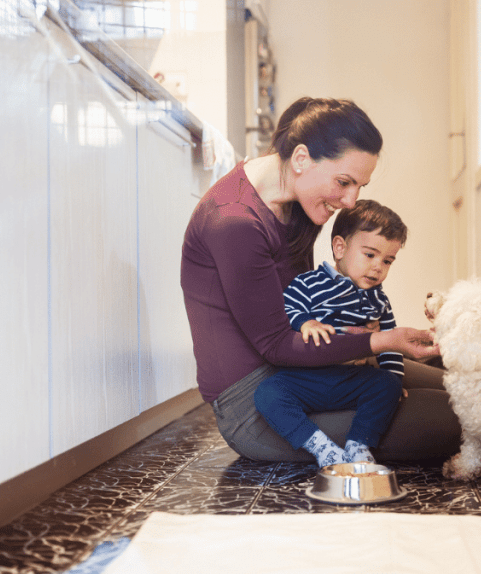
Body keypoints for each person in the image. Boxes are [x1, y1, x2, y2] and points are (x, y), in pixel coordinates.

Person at [180, 96, 461, 464]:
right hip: (260, 406)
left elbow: (306, 309)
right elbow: (278, 345)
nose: (350, 201)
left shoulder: (294, 205)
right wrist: (378, 341)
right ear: (300, 159)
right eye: (344, 182)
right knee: (457, 415)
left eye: (359, 186)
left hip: (309, 372)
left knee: (454, 383)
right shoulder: (235, 222)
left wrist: (361, 341)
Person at [254, 199, 409, 466]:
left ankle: (359, 445)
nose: (378, 267)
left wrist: (395, 379)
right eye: (370, 255)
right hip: (309, 378)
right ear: (340, 247)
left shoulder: (378, 299)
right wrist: (305, 323)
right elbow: (287, 307)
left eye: (388, 261)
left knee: (388, 384)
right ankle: (321, 447)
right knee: (267, 394)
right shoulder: (311, 283)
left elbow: (391, 341)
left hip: (351, 378)